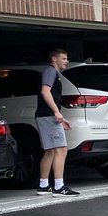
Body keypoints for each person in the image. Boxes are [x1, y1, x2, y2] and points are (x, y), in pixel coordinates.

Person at [36, 48, 79, 197]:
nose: (66, 61)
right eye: (64, 58)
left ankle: (43, 185)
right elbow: (45, 91)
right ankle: (59, 187)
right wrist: (56, 112)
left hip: (45, 115)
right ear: (54, 59)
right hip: (48, 115)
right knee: (61, 149)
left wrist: (60, 116)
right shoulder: (50, 71)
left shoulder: (51, 72)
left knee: (50, 151)